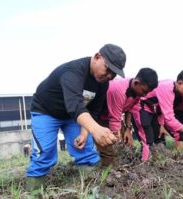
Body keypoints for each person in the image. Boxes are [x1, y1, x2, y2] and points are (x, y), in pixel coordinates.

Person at [26, 44, 126, 191]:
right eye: (108, 69)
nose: (110, 75)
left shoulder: (102, 83)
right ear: (97, 57)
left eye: (114, 73)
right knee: (44, 154)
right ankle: (33, 191)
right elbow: (74, 105)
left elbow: (93, 110)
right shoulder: (73, 71)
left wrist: (85, 133)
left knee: (85, 151)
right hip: (46, 111)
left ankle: (92, 189)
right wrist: (96, 130)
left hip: (74, 116)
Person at [132, 70, 183, 160]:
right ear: (180, 83)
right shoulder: (167, 89)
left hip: (151, 110)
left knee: (159, 138)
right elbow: (170, 120)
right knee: (147, 138)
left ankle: (157, 162)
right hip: (140, 107)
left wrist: (161, 124)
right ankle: (145, 164)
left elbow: (161, 108)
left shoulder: (175, 90)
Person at [96, 68, 158, 166]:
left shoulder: (137, 92)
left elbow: (130, 108)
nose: (144, 95)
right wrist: (117, 140)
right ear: (137, 82)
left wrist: (128, 129)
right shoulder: (118, 89)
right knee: (110, 149)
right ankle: (107, 172)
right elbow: (114, 119)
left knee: (127, 144)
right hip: (99, 118)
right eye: (144, 91)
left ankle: (119, 166)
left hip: (113, 118)